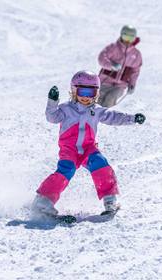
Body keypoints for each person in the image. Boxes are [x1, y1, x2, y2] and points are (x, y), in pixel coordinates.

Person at [32, 70, 146, 217]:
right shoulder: (66, 109)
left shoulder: (96, 110)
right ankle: (43, 201)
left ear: (97, 93)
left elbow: (113, 117)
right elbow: (52, 117)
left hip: (88, 148)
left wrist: (132, 119)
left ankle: (110, 200)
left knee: (101, 165)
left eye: (91, 93)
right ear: (74, 91)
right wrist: (52, 102)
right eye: (83, 92)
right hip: (69, 149)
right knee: (66, 170)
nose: (86, 97)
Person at [97, 25, 143, 108]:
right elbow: (101, 58)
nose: (128, 41)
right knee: (98, 100)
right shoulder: (113, 48)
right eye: (125, 37)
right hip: (105, 81)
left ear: (134, 39)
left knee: (110, 99)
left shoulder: (136, 54)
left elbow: (135, 71)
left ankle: (104, 118)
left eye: (131, 38)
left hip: (120, 85)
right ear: (121, 35)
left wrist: (132, 84)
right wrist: (111, 65)